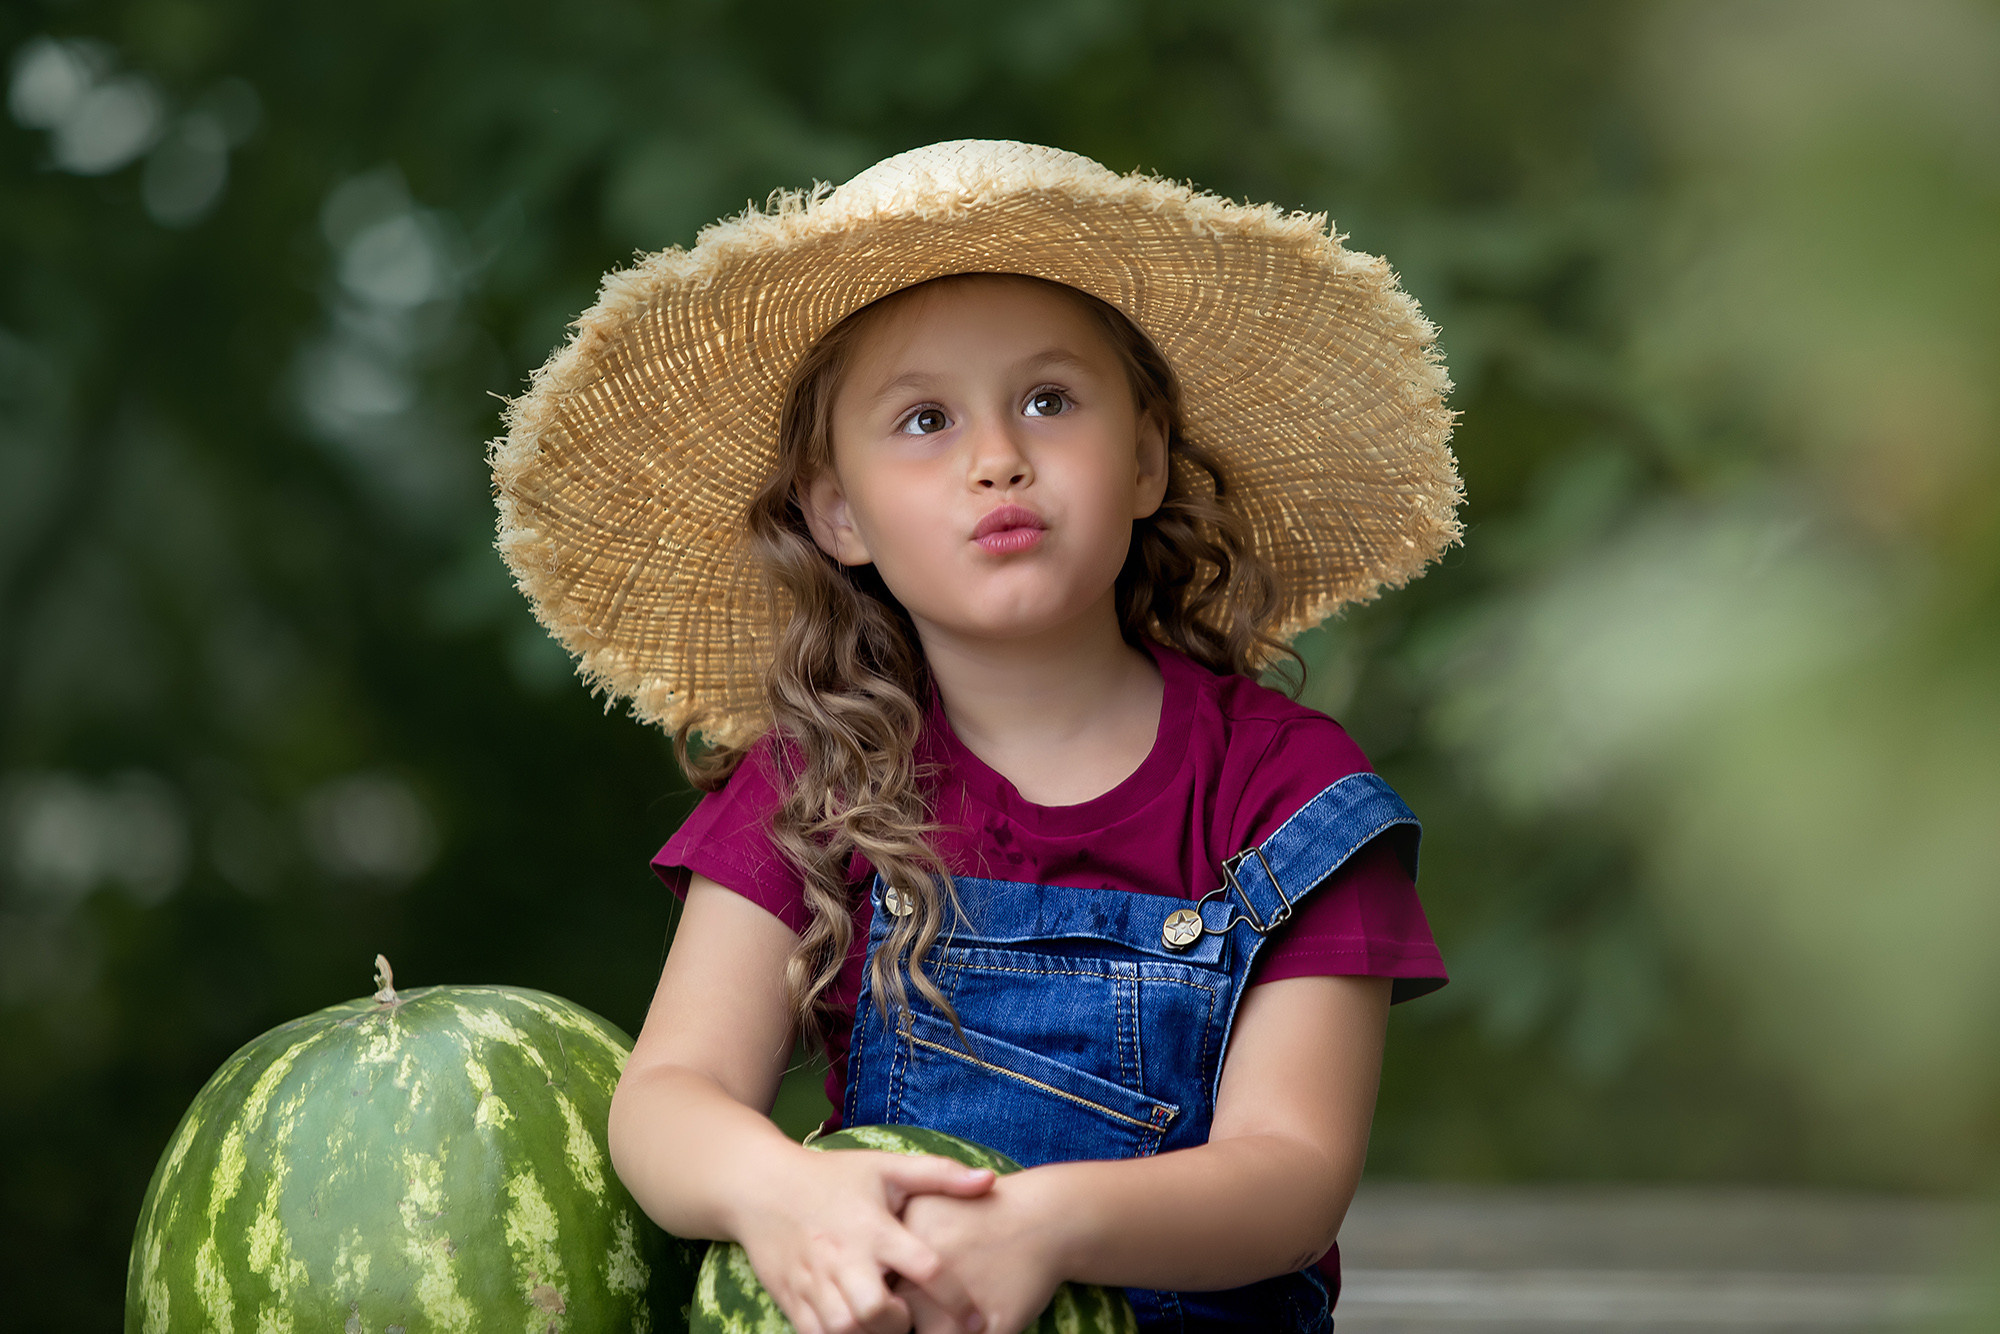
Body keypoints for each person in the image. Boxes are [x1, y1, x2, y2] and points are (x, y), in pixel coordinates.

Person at [492, 140, 1461, 1334]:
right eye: (924, 418)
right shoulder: (821, 785)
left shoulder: (1286, 792)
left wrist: (1046, 1224)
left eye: (1049, 401)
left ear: (1147, 457)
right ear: (835, 510)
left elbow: (1291, 1174)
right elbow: (664, 1100)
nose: (997, 456)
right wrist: (779, 1189)